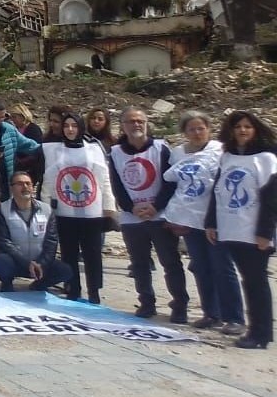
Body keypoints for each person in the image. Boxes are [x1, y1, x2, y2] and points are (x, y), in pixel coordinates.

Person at [163, 110, 241, 333]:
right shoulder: (178, 154)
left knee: (223, 268)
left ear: (208, 129)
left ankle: (234, 317)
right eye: (192, 129)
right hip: (190, 219)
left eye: (201, 128)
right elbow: (174, 185)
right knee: (201, 267)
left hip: (216, 220)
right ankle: (211, 313)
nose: (197, 133)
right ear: (184, 132)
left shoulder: (220, 150)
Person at [206, 111, 276, 349]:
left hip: (254, 232)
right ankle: (255, 329)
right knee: (247, 281)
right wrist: (211, 223)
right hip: (230, 228)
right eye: (238, 126)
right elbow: (218, 192)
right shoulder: (227, 156)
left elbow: (271, 199)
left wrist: (265, 232)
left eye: (248, 126)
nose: (243, 130)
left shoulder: (267, 158)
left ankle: (261, 332)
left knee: (256, 282)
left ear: (255, 129)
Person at [109, 106, 184, 322]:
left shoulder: (161, 148)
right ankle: (146, 302)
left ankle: (179, 304)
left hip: (159, 215)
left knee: (170, 261)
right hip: (133, 217)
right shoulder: (115, 152)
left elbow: (170, 180)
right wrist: (130, 207)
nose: (136, 125)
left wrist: (156, 206)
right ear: (123, 126)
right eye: (131, 121)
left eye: (140, 121)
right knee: (139, 263)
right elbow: (117, 185)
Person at [43, 110, 117, 304]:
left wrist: (109, 207)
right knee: (69, 252)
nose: (69, 129)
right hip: (64, 211)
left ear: (80, 127)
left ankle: (94, 291)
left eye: (74, 126)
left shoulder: (94, 148)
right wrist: (45, 206)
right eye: (66, 126)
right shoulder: (53, 149)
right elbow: (48, 180)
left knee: (93, 253)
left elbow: (105, 178)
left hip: (92, 211)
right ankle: (73, 288)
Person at [0, 172, 70, 292]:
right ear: (11, 188)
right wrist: (27, 263)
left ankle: (39, 285)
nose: (25, 187)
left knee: (65, 271)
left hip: (39, 262)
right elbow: (4, 241)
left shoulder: (46, 209)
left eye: (28, 184)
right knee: (1, 262)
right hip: (16, 261)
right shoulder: (2, 209)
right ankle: (7, 284)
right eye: (20, 184)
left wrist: (41, 264)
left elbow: (51, 241)